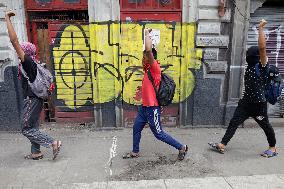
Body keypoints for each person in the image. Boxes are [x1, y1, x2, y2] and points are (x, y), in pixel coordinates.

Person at [208, 19, 278, 158]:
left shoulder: (263, 68)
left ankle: (273, 148)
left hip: (259, 105)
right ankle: (222, 144)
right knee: (234, 122)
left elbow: (262, 48)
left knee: (265, 126)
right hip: (246, 103)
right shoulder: (251, 67)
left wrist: (260, 29)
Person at [123, 28, 188, 160]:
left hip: (153, 108)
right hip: (144, 108)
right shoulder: (147, 69)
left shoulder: (155, 68)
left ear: (150, 58)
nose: (143, 58)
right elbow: (146, 50)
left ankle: (182, 147)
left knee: (159, 133)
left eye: (145, 57)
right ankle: (135, 151)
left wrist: (147, 35)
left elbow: (148, 50)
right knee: (136, 128)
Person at [5, 10, 62, 160]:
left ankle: (53, 142)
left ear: (25, 52)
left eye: (20, 50)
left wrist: (7, 19)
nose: (18, 52)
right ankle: (36, 152)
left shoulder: (28, 62)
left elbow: (14, 41)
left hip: (31, 99)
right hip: (35, 99)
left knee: (26, 129)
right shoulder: (32, 63)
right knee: (33, 126)